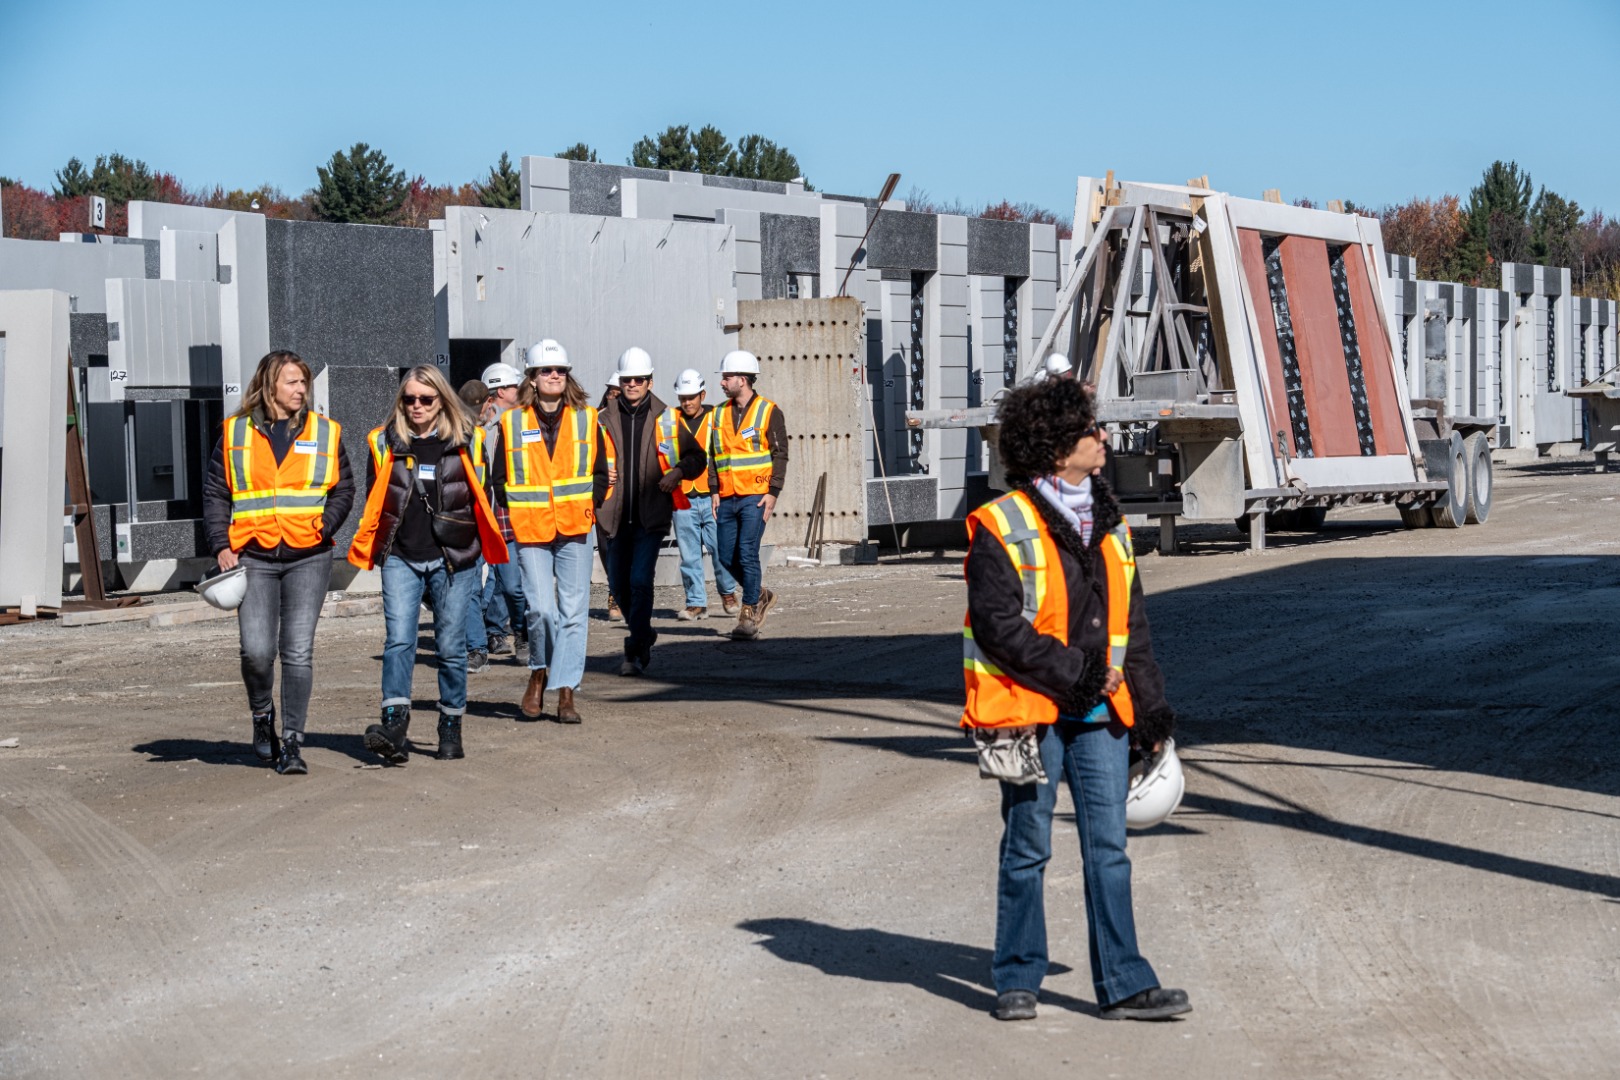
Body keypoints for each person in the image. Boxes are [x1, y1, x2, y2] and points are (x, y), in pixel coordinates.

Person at [961, 375, 1188, 1023]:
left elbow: (1132, 631)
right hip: (1024, 712)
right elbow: (998, 627)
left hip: (1100, 717)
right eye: (1091, 430)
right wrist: (1082, 674)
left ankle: (1124, 983)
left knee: (1109, 848)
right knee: (1028, 845)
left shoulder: (1112, 525)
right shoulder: (1001, 524)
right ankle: (1017, 977)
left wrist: (1148, 712)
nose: (1104, 437)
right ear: (1058, 447)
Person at [203, 350, 355, 775]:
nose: (301, 389)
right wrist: (220, 544)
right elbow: (216, 493)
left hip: (310, 555)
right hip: (252, 554)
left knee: (298, 652)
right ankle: (260, 715)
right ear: (270, 385)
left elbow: (345, 488)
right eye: (292, 382)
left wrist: (325, 527)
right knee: (257, 651)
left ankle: (292, 742)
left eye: (304, 382)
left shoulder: (326, 432)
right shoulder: (234, 433)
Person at [348, 366, 507, 763]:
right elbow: (377, 499)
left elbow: (481, 495)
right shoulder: (383, 442)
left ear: (441, 400)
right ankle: (394, 723)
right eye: (409, 399)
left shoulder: (470, 440)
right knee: (399, 641)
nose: (416, 406)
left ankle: (450, 724)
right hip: (401, 557)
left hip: (453, 559)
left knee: (452, 647)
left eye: (425, 398)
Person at [485, 339, 612, 723]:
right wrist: (523, 509)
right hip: (531, 528)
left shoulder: (587, 418)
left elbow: (602, 472)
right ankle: (539, 672)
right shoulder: (512, 421)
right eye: (546, 371)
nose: (554, 375)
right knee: (540, 609)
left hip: (575, 527)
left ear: (567, 376)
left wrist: (590, 504)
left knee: (573, 613)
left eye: (559, 370)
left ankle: (566, 690)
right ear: (533, 378)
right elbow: (500, 478)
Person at [597, 348, 706, 674]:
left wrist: (678, 472)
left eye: (639, 379)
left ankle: (635, 649)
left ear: (649, 381)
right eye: (627, 379)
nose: (632, 384)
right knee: (617, 584)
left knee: (641, 579)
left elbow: (697, 457)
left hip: (650, 515)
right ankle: (644, 633)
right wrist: (600, 477)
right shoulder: (602, 418)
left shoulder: (667, 417)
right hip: (614, 514)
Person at [712, 349, 788, 640]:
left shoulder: (769, 411)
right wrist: (714, 490)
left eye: (727, 377)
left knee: (746, 552)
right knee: (725, 555)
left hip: (756, 495)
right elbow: (712, 454)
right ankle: (760, 594)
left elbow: (780, 453)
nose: (722, 382)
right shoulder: (719, 413)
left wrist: (773, 492)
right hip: (727, 495)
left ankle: (748, 615)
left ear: (742, 380)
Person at [469, 363, 530, 668]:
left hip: (506, 517)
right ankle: (479, 645)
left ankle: (519, 633)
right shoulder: (472, 430)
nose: (519, 392)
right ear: (499, 392)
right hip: (478, 518)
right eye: (514, 387)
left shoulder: (518, 425)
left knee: (512, 586)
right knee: (472, 586)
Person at [667, 368, 738, 620]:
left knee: (720, 549)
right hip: (682, 496)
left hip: (712, 496)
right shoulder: (669, 421)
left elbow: (721, 455)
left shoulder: (715, 418)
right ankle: (696, 602)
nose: (687, 402)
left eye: (692, 397)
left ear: (702, 394)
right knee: (689, 554)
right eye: (683, 397)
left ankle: (728, 591)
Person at [598, 372, 624, 622]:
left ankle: (620, 593)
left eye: (617, 393)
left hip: (627, 494)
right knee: (606, 547)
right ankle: (615, 590)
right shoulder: (595, 421)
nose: (612, 396)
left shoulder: (633, 421)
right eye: (610, 392)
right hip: (603, 494)